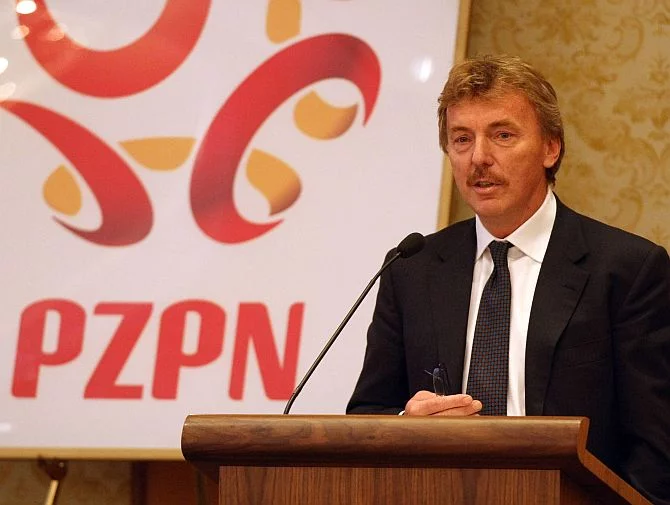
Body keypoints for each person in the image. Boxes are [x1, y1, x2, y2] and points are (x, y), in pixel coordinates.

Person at [347, 54, 670, 504]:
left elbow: (657, 449)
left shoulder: (627, 268)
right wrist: (408, 425)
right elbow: (366, 415)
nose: (479, 157)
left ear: (550, 148)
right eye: (462, 139)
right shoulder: (411, 268)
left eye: (502, 135)